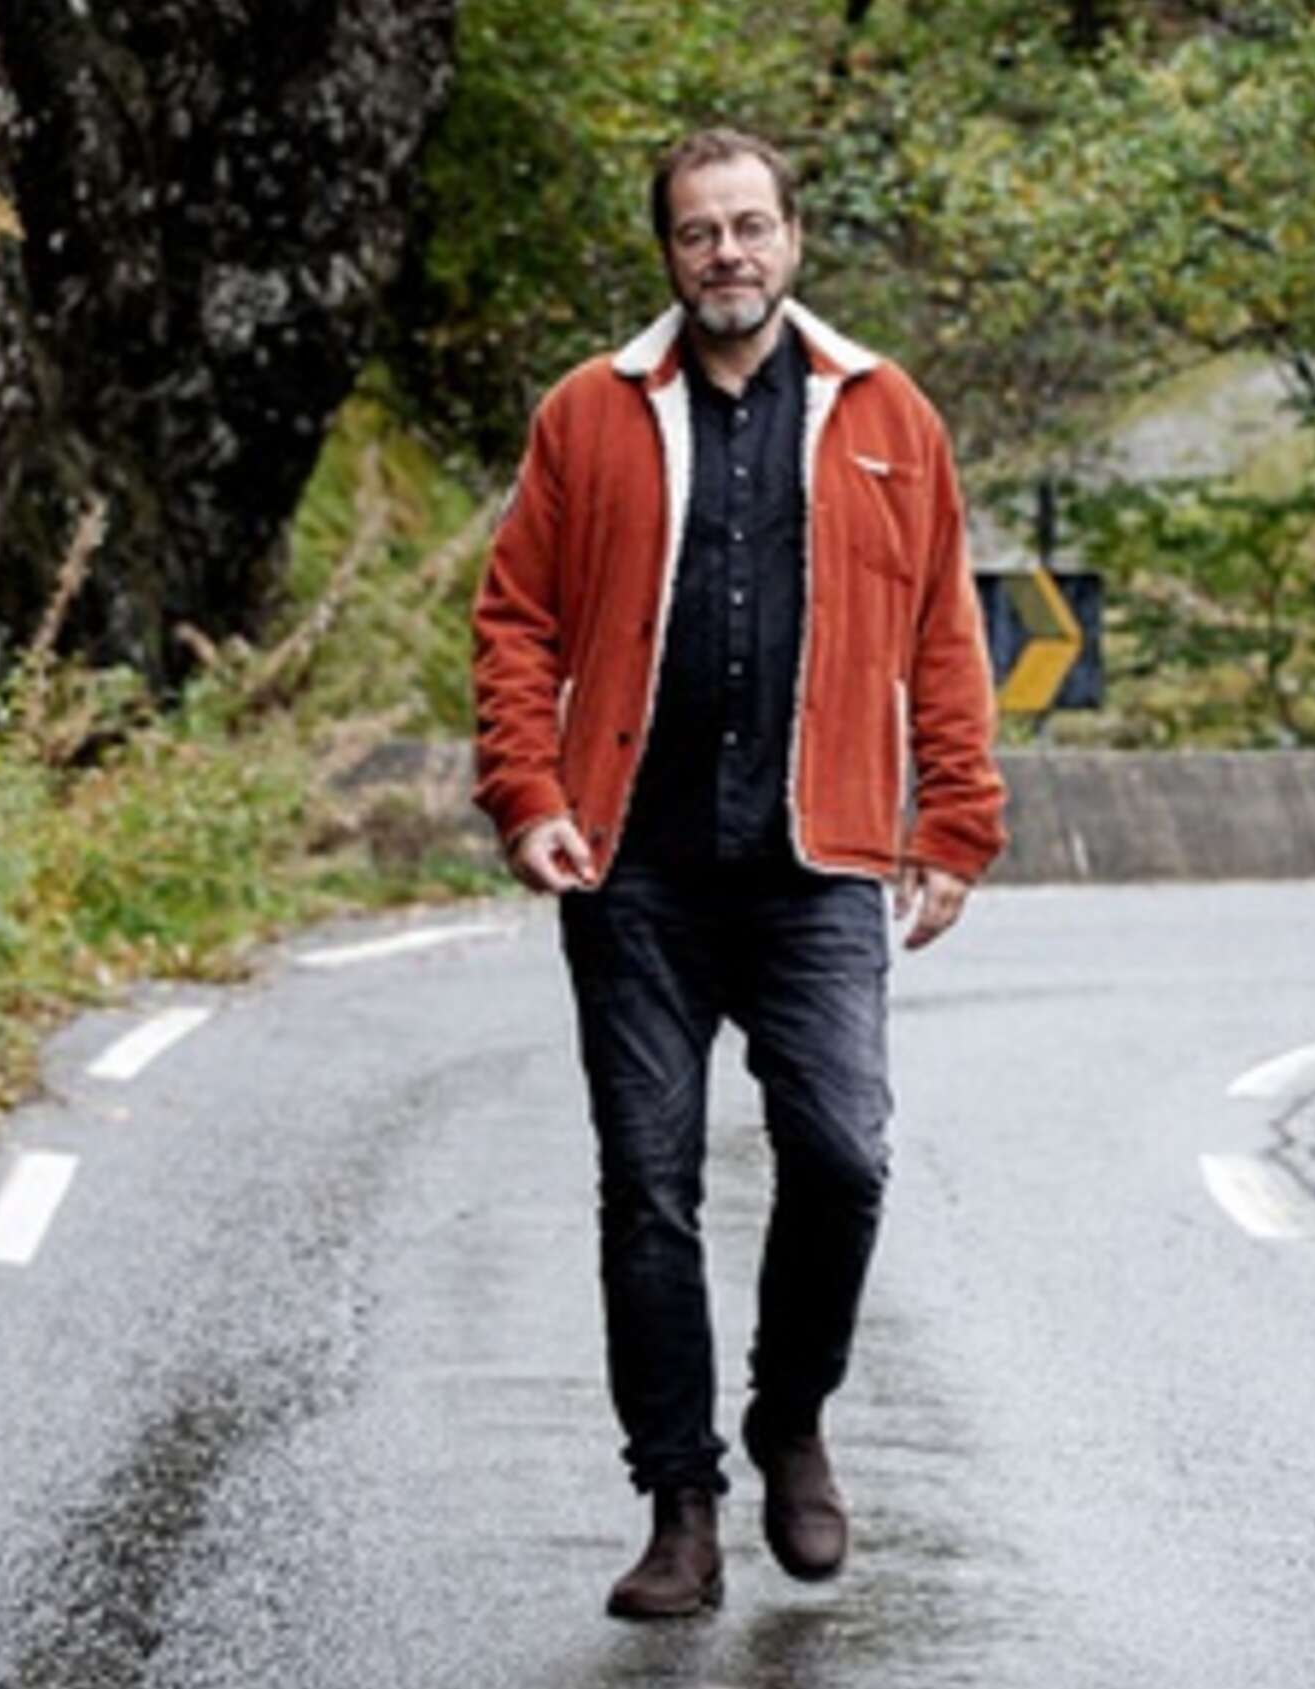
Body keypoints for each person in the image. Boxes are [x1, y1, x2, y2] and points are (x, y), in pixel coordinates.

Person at [469, 126, 1007, 1619]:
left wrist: (955, 819)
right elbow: (514, 621)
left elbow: (943, 634)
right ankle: (681, 1507)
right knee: (649, 1186)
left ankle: (791, 1415)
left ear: (793, 239)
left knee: (841, 1154)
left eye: (751, 226)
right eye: (700, 231)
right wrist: (527, 794)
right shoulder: (589, 413)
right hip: (631, 867)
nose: (728, 253)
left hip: (817, 862)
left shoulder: (887, 413)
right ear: (669, 253)